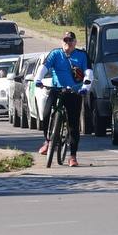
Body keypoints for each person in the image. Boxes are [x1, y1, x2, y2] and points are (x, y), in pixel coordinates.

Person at [36, 32, 92, 167]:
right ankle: (48, 141)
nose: (68, 42)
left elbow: (89, 72)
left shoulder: (82, 55)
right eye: (65, 40)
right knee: (46, 113)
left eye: (71, 40)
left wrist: (85, 87)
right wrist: (38, 79)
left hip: (74, 92)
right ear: (61, 42)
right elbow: (44, 67)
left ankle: (73, 156)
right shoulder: (55, 54)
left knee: (73, 125)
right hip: (57, 90)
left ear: (75, 42)